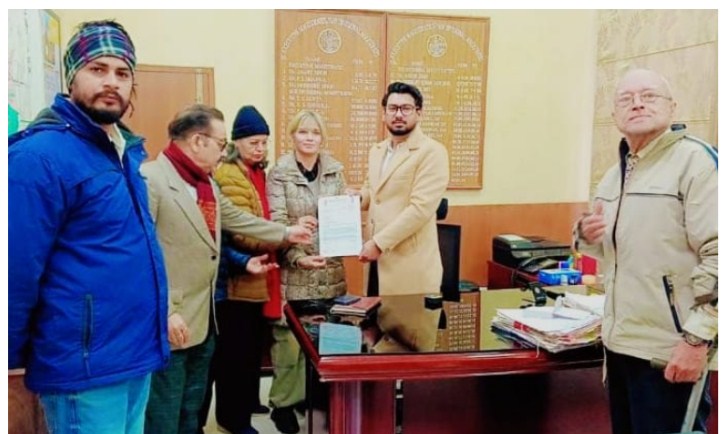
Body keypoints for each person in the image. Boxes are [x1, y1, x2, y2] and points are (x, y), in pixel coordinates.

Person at [9, 20, 168, 433]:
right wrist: (10, 364)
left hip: (134, 358)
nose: (112, 82)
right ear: (71, 77)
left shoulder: (123, 152)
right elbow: (15, 270)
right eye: (97, 69)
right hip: (84, 371)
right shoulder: (39, 157)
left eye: (122, 73)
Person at [141, 104, 314, 434]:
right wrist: (165, 310)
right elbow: (141, 256)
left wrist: (286, 232)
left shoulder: (205, 183)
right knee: (165, 413)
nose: (224, 152)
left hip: (205, 317)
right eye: (221, 144)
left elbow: (236, 218)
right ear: (197, 141)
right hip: (171, 319)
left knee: (192, 409)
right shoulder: (152, 179)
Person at [575, 68, 717, 434]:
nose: (637, 104)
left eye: (649, 96)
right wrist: (585, 234)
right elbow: (621, 252)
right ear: (615, 115)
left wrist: (697, 339)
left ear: (672, 106)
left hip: (669, 351)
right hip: (620, 347)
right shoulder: (615, 175)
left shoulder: (697, 163)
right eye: (626, 99)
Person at [200, 105, 281, 434]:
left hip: (254, 279)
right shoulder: (230, 175)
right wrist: (283, 235)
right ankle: (233, 420)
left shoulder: (255, 172)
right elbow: (241, 233)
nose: (260, 148)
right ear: (236, 143)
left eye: (264, 142)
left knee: (249, 351)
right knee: (234, 356)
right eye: (253, 142)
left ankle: (245, 406)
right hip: (235, 284)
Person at [266, 110, 348, 434]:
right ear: (292, 135)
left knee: (329, 340)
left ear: (322, 137)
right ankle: (283, 404)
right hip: (294, 271)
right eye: (303, 131)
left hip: (331, 270)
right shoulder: (279, 173)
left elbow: (343, 218)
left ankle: (317, 400)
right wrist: (298, 256)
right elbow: (276, 223)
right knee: (289, 345)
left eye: (315, 132)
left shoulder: (335, 171)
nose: (310, 137)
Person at [358, 82, 450, 297]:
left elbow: (420, 209)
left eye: (405, 108)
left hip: (409, 268)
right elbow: (372, 191)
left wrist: (378, 244)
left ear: (419, 112)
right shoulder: (377, 150)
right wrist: (356, 198)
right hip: (375, 263)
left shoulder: (432, 152)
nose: (398, 114)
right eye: (392, 108)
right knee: (374, 317)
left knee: (407, 319)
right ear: (384, 114)